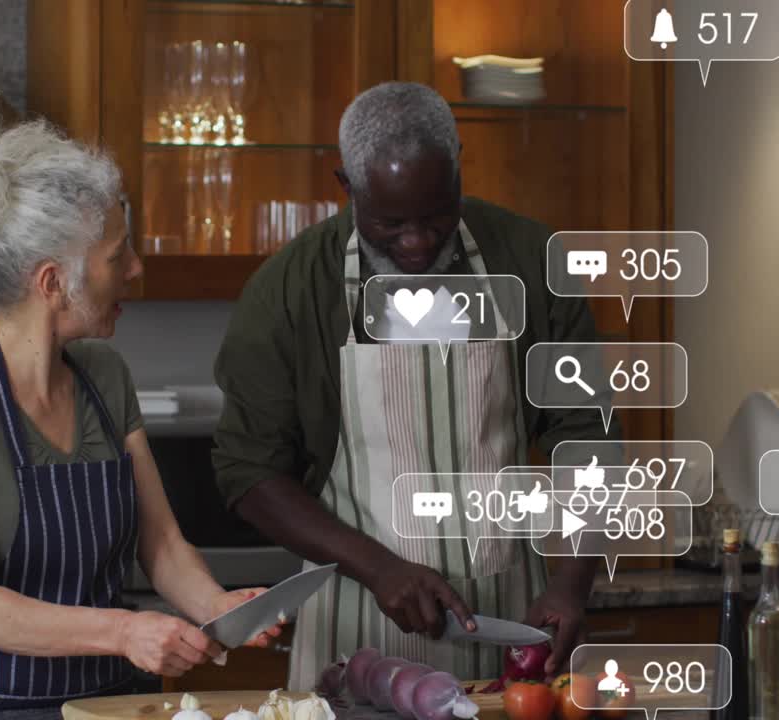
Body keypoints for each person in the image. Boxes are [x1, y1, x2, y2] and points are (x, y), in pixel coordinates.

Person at [212, 82, 616, 689]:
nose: (418, 243)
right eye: (390, 223)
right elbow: (250, 472)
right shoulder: (290, 290)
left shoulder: (531, 260)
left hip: (513, 621)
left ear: (458, 164)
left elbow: (586, 433)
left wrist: (570, 581)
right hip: (356, 630)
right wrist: (379, 568)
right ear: (346, 186)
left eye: (435, 215)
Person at [0, 90, 278, 718]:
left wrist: (217, 607)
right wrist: (126, 632)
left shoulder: (105, 374)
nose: (135, 266)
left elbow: (160, 542)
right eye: (115, 256)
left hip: (107, 703)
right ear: (52, 283)